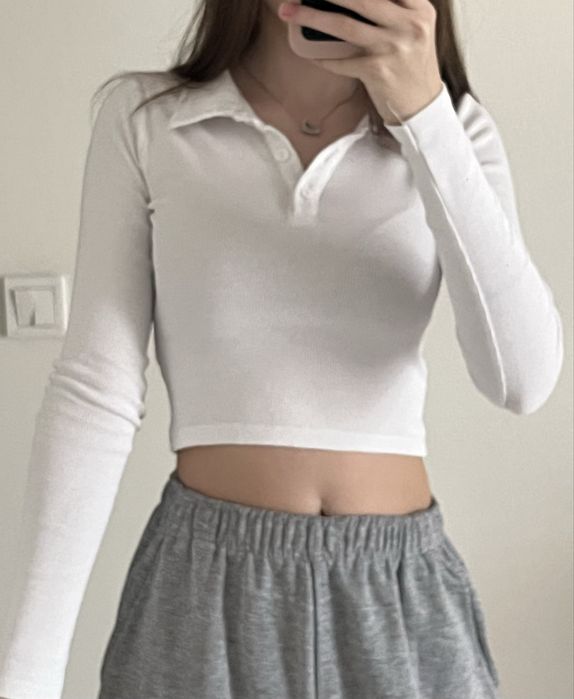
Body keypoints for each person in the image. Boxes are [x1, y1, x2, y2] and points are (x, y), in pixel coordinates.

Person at [0, 0, 564, 697]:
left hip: (398, 598)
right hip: (202, 592)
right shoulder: (148, 119)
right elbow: (96, 392)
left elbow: (521, 379)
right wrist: (27, 672)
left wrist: (423, 116)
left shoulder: (456, 130)